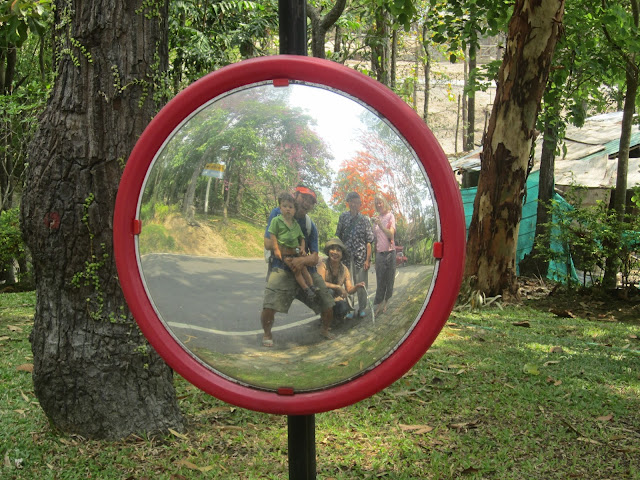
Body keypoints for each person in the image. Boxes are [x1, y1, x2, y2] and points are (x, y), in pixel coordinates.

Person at [261, 185, 335, 347]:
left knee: (327, 301)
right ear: (295, 196)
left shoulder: (310, 225)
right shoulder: (277, 214)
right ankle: (267, 334)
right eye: (304, 198)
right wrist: (289, 254)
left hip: (305, 269)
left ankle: (325, 329)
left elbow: (314, 257)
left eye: (311, 202)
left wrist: (300, 261)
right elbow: (267, 243)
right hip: (281, 267)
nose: (307, 203)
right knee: (269, 304)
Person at [268, 193, 317, 300]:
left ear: (294, 210)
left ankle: (312, 286)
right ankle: (306, 289)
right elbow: (271, 235)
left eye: (290, 207)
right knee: (296, 270)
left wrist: (302, 249)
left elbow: (302, 238)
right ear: (280, 207)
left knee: (304, 269)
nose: (287, 209)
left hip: (297, 252)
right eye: (284, 206)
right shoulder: (276, 220)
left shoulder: (296, 224)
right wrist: (276, 249)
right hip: (285, 255)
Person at [335, 192, 374, 319]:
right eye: (352, 201)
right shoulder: (343, 217)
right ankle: (350, 309)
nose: (354, 204)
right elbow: (339, 238)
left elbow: (369, 241)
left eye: (357, 202)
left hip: (361, 257)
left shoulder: (365, 220)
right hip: (346, 258)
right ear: (348, 203)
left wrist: (368, 260)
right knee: (348, 283)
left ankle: (362, 308)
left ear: (360, 204)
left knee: (361, 284)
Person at [318, 238, 365, 320]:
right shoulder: (323, 264)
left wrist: (357, 287)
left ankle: (334, 319)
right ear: (328, 251)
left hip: (336, 299)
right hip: (323, 296)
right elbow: (320, 283)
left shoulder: (345, 269)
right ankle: (324, 317)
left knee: (344, 308)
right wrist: (338, 287)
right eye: (332, 249)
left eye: (338, 250)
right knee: (329, 292)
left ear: (342, 254)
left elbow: (349, 290)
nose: (335, 252)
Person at [372, 195, 396, 315]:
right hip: (379, 254)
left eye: (380, 202)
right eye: (377, 203)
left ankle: (386, 301)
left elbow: (391, 234)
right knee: (380, 279)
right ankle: (379, 303)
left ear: (384, 203)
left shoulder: (390, 216)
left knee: (389, 279)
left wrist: (381, 225)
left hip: (390, 252)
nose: (379, 205)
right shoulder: (376, 219)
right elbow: (375, 238)